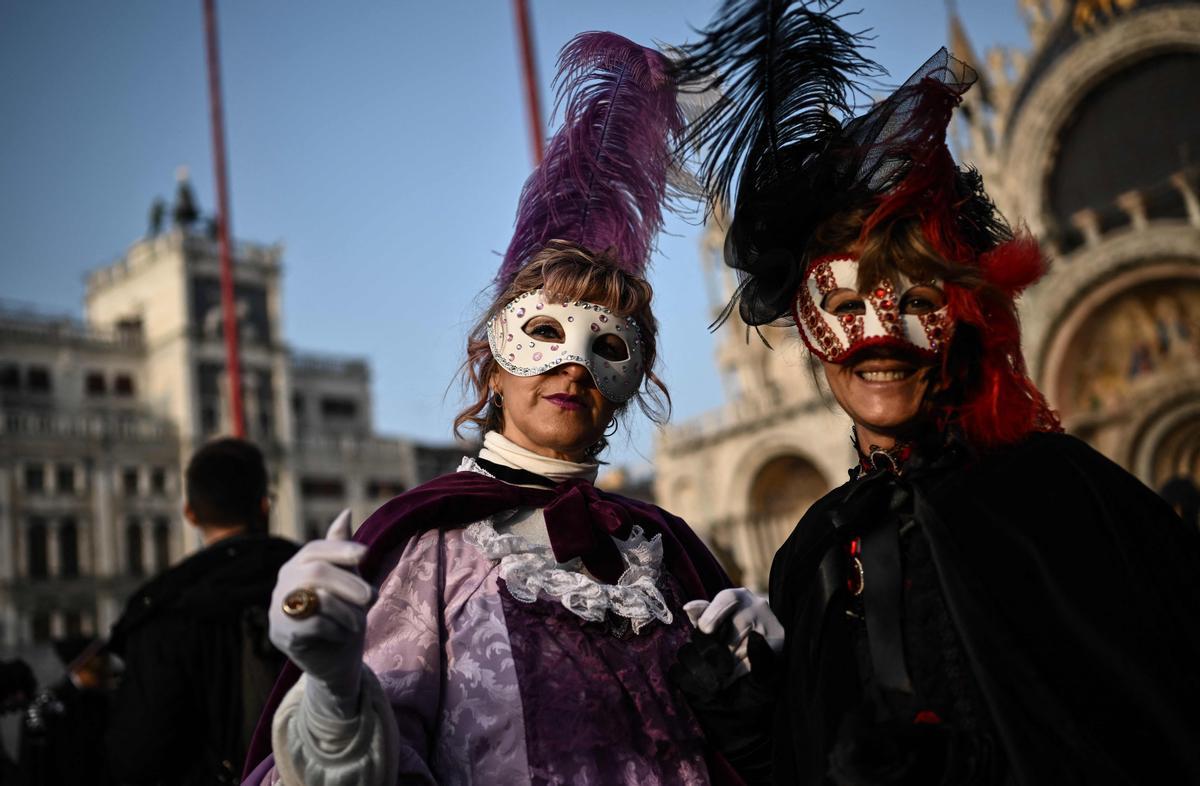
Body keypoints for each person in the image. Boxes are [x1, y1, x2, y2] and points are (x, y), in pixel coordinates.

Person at [671, 2, 1200, 783]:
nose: (879, 337)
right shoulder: (812, 552)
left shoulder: (1061, 492)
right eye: (846, 308)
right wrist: (750, 716)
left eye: (915, 302)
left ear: (961, 313)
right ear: (807, 331)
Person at [243, 32, 741, 786]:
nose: (573, 364)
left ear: (628, 385)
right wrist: (336, 695)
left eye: (606, 347)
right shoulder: (434, 550)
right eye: (543, 332)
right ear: (493, 364)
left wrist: (764, 689)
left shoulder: (665, 551)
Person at [105, 437, 298, 785]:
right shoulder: (317, 582)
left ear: (190, 513)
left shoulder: (159, 610)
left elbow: (138, 755)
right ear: (264, 506)